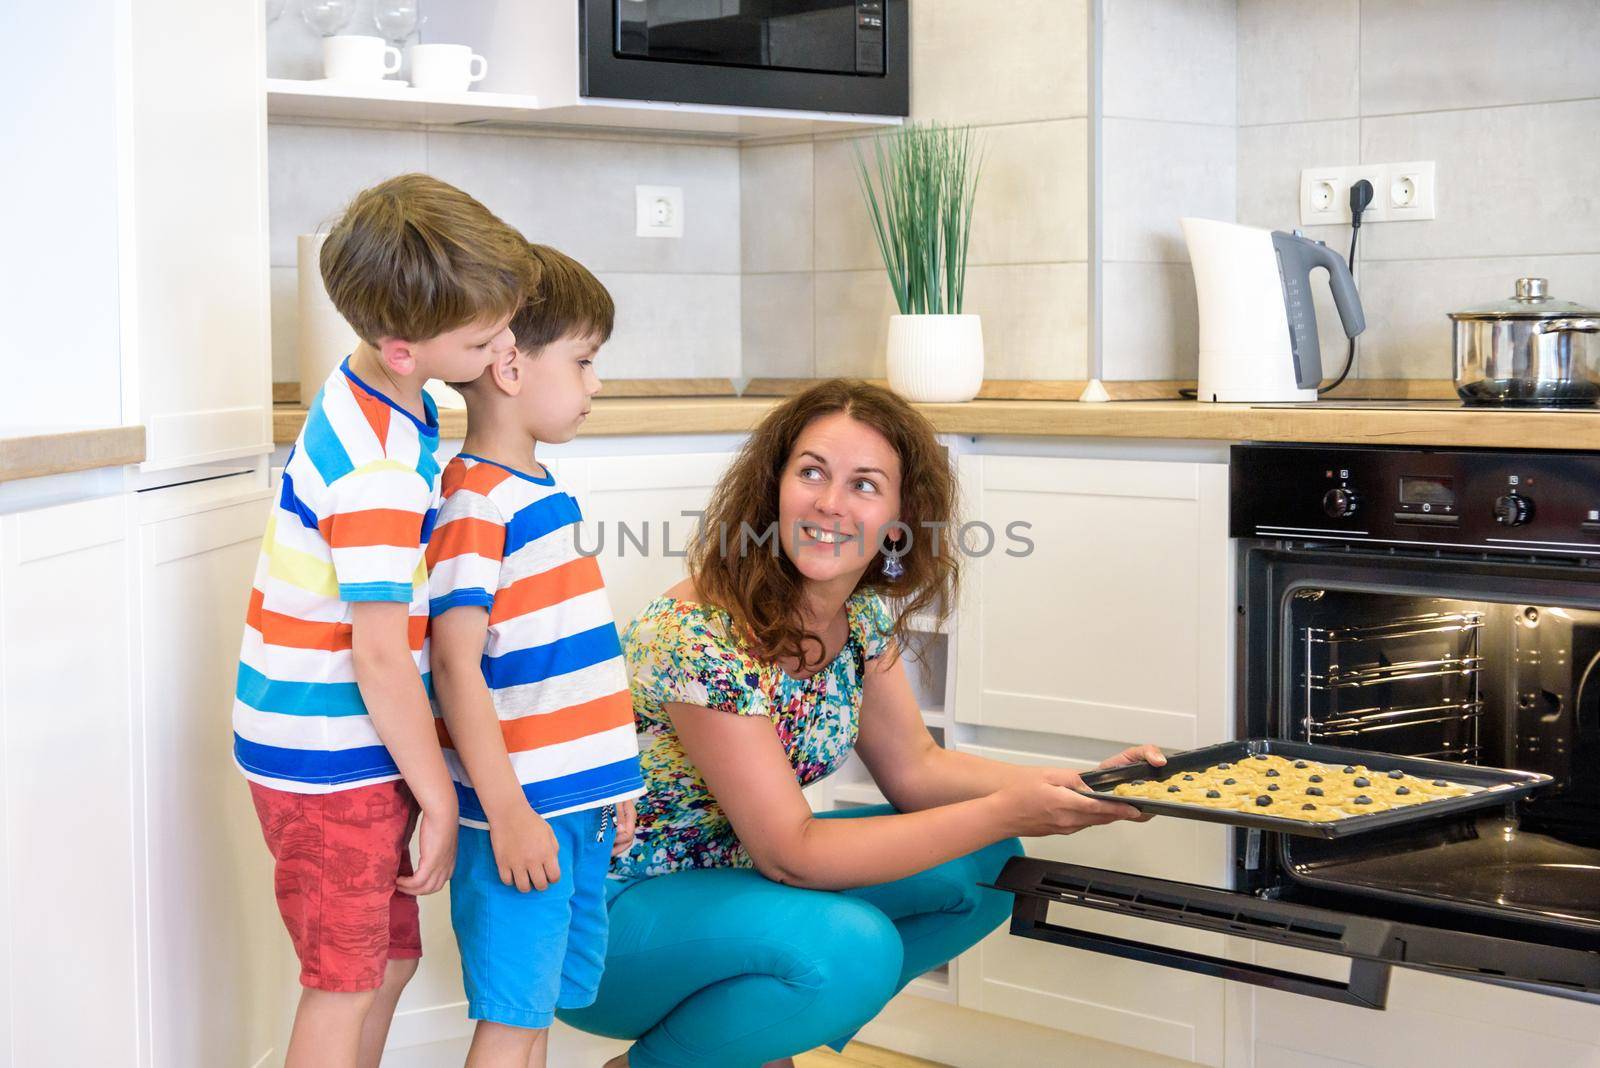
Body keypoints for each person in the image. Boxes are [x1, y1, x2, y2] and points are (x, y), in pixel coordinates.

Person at [560, 379, 1164, 1067]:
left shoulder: (860, 618)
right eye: (811, 472)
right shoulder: (697, 635)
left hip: (732, 884)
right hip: (611, 918)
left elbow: (917, 768)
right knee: (851, 947)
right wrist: (1006, 809)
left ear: (899, 521)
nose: (829, 503)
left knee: (986, 872)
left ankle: (746, 1039)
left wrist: (1079, 784)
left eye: (865, 485)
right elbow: (791, 853)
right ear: (773, 490)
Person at [233, 173, 532, 1068]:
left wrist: (486, 355)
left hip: (334, 740)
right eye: (483, 340)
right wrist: (439, 796)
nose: (502, 347)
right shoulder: (379, 471)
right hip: (330, 758)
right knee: (346, 979)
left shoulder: (380, 386)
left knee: (388, 961)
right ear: (403, 347)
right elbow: (378, 657)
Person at [428, 244, 644, 1067]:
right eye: (585, 361)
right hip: (519, 814)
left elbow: (561, 659)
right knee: (513, 1017)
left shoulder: (537, 492)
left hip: (571, 807)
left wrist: (611, 779)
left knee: (537, 1010)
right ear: (511, 366)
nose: (595, 384)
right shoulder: (476, 504)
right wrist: (512, 812)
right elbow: (455, 669)